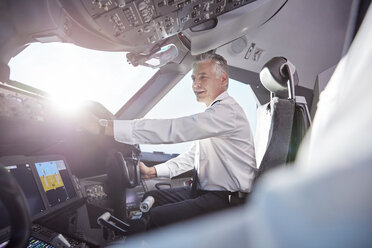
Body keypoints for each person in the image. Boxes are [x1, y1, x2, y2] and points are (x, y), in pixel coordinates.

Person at [84, 52, 256, 230]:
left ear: (223, 79)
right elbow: (192, 157)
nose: (196, 84)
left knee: (156, 218)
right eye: (193, 78)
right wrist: (153, 171)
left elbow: (174, 129)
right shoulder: (214, 115)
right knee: (152, 198)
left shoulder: (226, 112)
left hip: (226, 202)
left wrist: (105, 128)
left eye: (203, 77)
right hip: (205, 192)